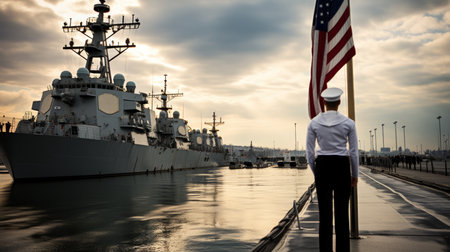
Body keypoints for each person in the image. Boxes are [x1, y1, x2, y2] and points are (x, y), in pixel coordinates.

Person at [306, 87, 359, 252]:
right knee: (342, 214)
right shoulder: (349, 123)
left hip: (322, 165)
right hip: (342, 166)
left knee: (325, 215)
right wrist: (354, 174)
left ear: (324, 103)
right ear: (339, 102)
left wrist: (316, 172)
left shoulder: (314, 123)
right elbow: (354, 152)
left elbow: (309, 152)